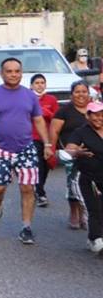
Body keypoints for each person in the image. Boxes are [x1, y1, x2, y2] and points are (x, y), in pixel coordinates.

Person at [0, 57, 54, 245]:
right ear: (2, 73)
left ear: (21, 73)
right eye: (9, 71)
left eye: (17, 71)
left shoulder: (29, 95)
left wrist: (47, 144)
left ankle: (26, 227)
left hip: (26, 148)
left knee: (28, 188)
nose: (13, 74)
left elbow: (38, 120)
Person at [49, 80, 91, 230]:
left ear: (89, 93)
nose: (81, 95)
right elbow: (54, 131)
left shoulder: (95, 109)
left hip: (93, 153)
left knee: (91, 185)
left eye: (84, 91)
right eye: (77, 92)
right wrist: (51, 150)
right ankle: (74, 212)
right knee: (72, 184)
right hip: (71, 153)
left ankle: (86, 214)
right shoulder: (64, 111)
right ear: (72, 94)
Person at [63, 101, 103, 253]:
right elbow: (69, 149)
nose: (99, 118)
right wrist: (77, 152)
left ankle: (94, 237)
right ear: (88, 116)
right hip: (88, 177)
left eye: (102, 115)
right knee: (95, 208)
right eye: (95, 115)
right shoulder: (81, 132)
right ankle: (97, 240)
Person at [30, 74, 58, 207]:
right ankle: (40, 193)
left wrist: (47, 113)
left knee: (47, 165)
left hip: (49, 137)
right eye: (37, 83)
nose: (40, 85)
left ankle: (38, 187)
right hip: (33, 137)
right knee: (39, 164)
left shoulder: (51, 99)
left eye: (42, 82)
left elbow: (58, 118)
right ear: (31, 85)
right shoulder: (27, 98)